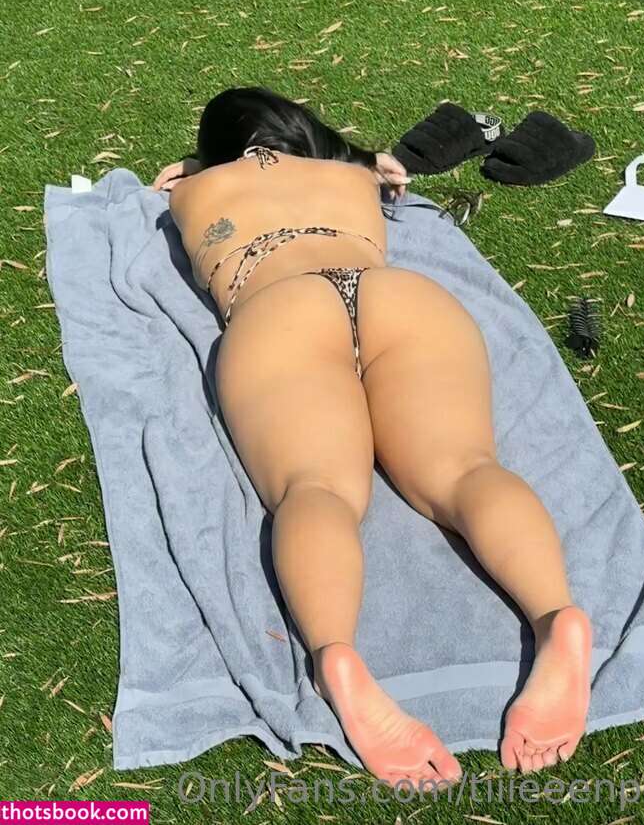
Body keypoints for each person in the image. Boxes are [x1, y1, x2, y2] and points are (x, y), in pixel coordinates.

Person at [153, 86, 592, 790]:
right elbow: (369, 164)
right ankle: (556, 616)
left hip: (281, 308)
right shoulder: (354, 173)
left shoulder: (192, 191)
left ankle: (337, 655)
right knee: (466, 469)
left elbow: (200, 178)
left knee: (317, 488)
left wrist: (192, 169)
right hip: (398, 297)